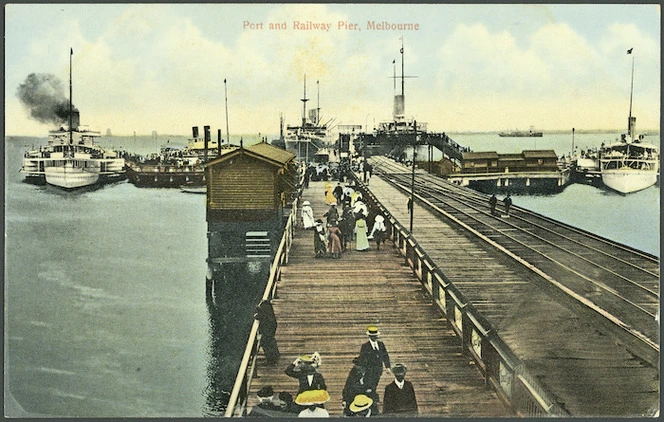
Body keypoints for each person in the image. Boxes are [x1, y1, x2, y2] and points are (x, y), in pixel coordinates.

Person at [358, 325, 391, 391]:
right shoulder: (365, 346)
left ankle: (372, 395)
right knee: (369, 386)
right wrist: (362, 372)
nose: (375, 337)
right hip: (369, 371)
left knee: (375, 384)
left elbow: (385, 355)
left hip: (378, 370)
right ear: (369, 336)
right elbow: (362, 359)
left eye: (375, 335)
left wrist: (387, 367)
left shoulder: (381, 344)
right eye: (373, 335)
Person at [254, 300, 280, 364]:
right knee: (270, 340)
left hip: (268, 327)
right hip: (271, 325)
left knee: (266, 341)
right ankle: (275, 355)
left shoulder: (264, 306)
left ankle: (271, 359)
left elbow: (262, 315)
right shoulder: (266, 305)